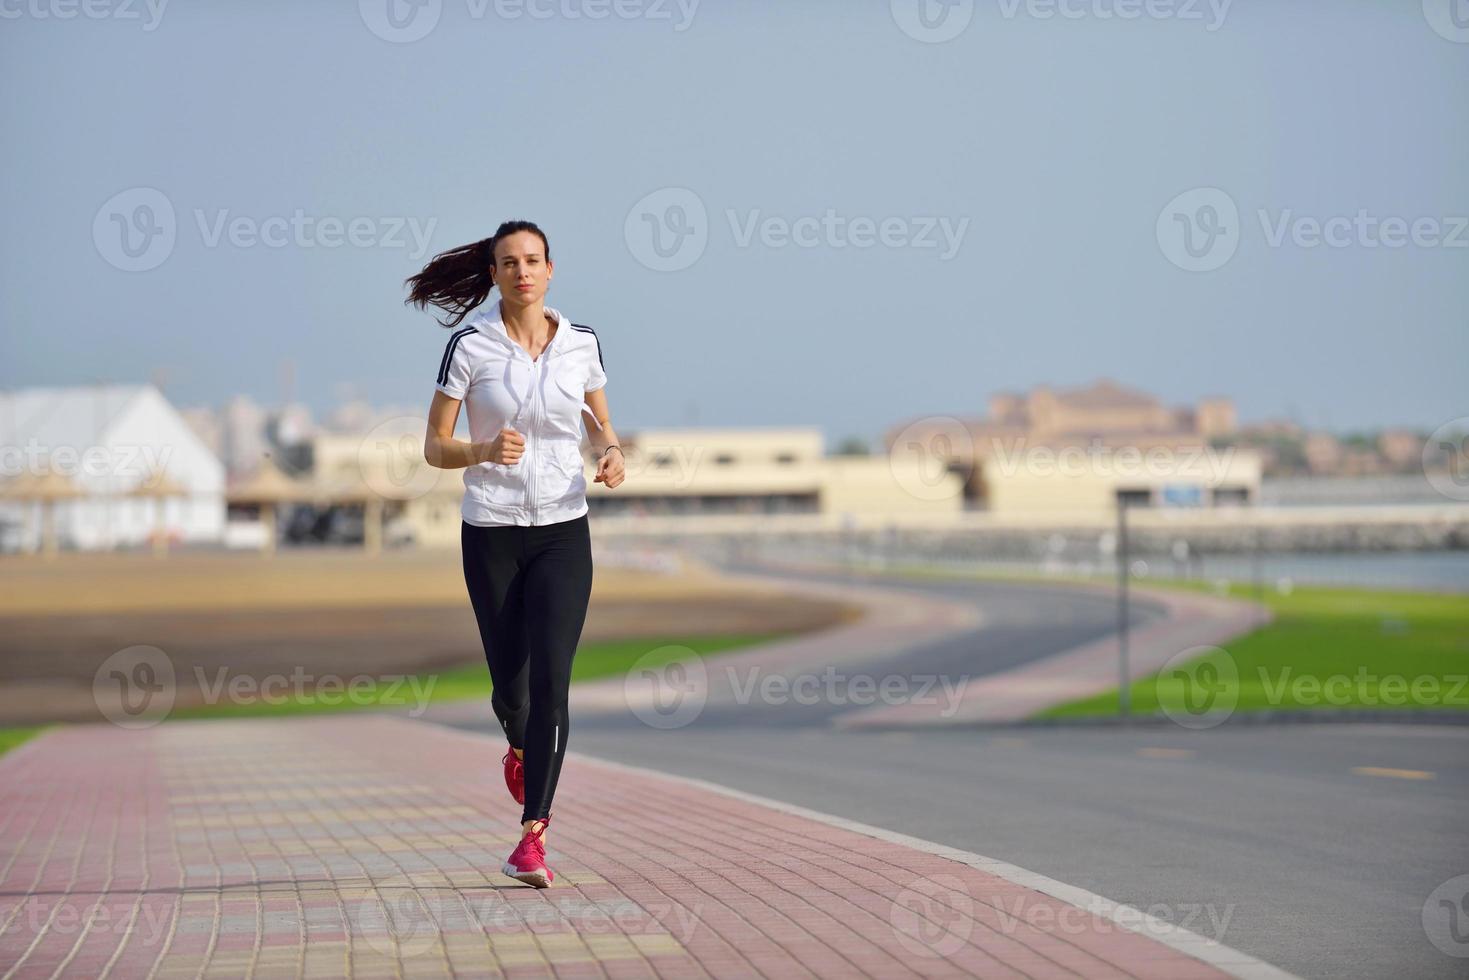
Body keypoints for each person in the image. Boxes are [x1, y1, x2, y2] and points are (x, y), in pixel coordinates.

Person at [407, 220, 626, 887]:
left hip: (564, 528)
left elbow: (599, 424)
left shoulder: (582, 344)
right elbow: (433, 447)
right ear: (495, 274)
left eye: (532, 260)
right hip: (493, 530)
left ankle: (532, 839)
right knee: (511, 690)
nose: (522, 271)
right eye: (509, 263)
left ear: (550, 270)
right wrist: (480, 450)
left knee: (552, 682)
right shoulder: (470, 347)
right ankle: (519, 745)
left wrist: (611, 451)